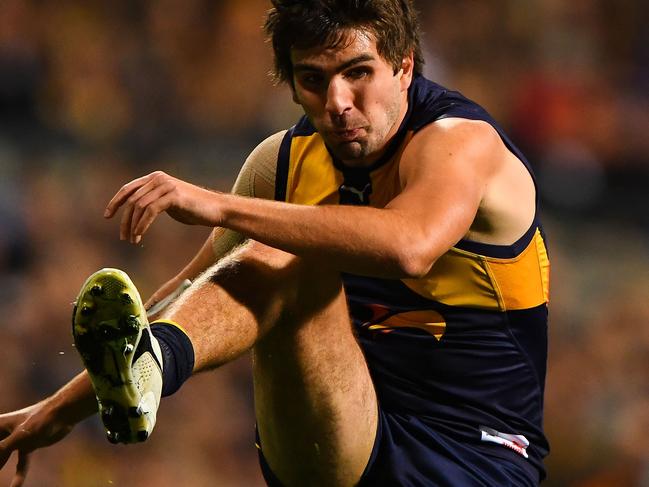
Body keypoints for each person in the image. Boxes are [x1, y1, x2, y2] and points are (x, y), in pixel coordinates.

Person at [0, 0, 551, 485]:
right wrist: (58, 410)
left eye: (358, 73)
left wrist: (220, 204)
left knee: (291, 251)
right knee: (268, 261)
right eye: (313, 80)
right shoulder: (282, 164)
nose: (338, 102)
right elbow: (196, 294)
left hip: (472, 460)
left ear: (404, 66)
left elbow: (411, 244)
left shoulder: (462, 144)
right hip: (343, 433)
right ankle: (159, 369)